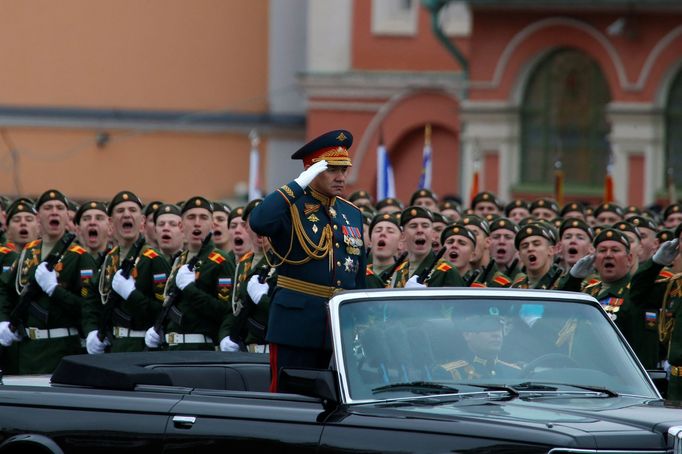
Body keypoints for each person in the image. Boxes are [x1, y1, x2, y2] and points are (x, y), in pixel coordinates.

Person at [249, 129, 366, 392]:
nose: (341, 177)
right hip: (296, 325)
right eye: (331, 169)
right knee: (288, 399)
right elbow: (259, 221)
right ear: (312, 171)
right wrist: (297, 184)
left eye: (344, 170)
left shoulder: (351, 213)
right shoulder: (290, 205)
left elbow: (358, 276)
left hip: (337, 327)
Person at [0, 190, 98, 374]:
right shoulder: (28, 252)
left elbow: (88, 308)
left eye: (60, 208)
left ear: (66, 216)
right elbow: (5, 289)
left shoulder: (79, 257)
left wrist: (55, 290)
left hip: (62, 349)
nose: (54, 212)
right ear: (38, 217)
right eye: (48, 208)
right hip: (27, 352)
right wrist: (3, 321)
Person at [145, 196, 235, 351]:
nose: (197, 223)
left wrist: (190, 290)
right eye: (191, 217)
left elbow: (225, 311)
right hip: (172, 348)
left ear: (212, 225)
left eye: (203, 217)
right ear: (181, 225)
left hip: (200, 349)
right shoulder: (180, 260)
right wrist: (158, 328)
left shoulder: (220, 261)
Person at [85, 191, 170, 353]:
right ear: (110, 222)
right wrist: (92, 331)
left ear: (143, 222)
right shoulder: (109, 259)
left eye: (132, 210)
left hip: (141, 347)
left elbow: (163, 309)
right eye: (120, 211)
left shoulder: (153, 259)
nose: (126, 215)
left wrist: (131, 294)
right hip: (114, 346)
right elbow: (92, 302)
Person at [219, 198, 274, 353]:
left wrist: (262, 299)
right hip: (247, 352)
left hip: (269, 350)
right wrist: (225, 336)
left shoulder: (281, 261)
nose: (260, 227)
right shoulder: (243, 264)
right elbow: (234, 309)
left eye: (265, 220)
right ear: (245, 227)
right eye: (254, 222)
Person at [393, 206, 464, 288]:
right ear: (402, 236)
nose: (420, 230)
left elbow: (459, 301)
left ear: (433, 234)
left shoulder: (446, 271)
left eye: (425, 226)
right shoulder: (399, 271)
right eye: (413, 226)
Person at [365, 213, 403, 288]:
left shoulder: (405, 274)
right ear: (370, 242)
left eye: (390, 231)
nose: (383, 233)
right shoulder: (359, 274)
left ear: (400, 243)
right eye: (378, 231)